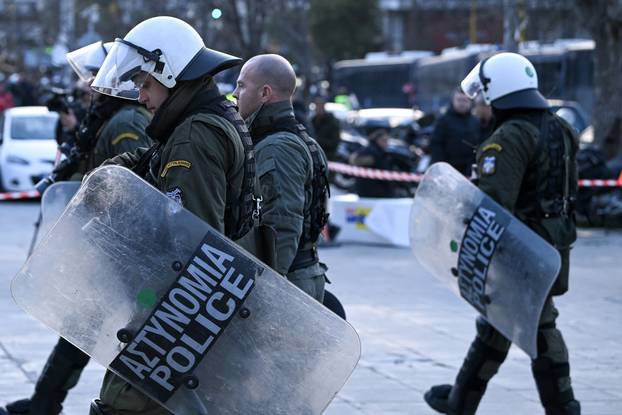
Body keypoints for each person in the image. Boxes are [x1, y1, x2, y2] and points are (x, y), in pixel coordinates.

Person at [88, 16, 256, 415]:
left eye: (146, 84)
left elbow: (196, 246)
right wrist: (109, 177)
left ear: (171, 73)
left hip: (178, 311)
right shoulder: (195, 121)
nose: (141, 97)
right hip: (179, 308)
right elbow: (148, 162)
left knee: (120, 404)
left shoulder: (195, 134)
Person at [0, 40, 152, 415]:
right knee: (80, 330)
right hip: (108, 249)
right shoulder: (108, 118)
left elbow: (132, 185)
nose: (87, 86)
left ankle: (52, 403)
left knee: (126, 334)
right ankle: (45, 402)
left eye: (95, 79)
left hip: (123, 253)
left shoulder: (126, 121)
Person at [424, 52, 580, 415]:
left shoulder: (509, 137)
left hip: (519, 249)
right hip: (554, 244)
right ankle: (461, 399)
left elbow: (493, 206)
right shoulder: (562, 128)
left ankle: (564, 406)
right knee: (499, 323)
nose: (477, 104)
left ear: (499, 94)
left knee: (540, 327)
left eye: (482, 97)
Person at [233, 54, 329, 302]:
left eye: (242, 85)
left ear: (265, 93)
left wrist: (267, 294)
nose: (235, 93)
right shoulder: (291, 138)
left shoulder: (278, 147)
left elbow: (281, 225)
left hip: (288, 283)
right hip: (298, 277)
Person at [430, 88, 482, 176]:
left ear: (470, 102)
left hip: (470, 171)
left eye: (465, 100)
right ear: (453, 101)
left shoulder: (476, 122)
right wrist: (441, 168)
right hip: (448, 171)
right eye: (459, 100)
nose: (462, 103)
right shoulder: (443, 120)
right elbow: (436, 145)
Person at [349, 128, 395, 198]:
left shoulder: (371, 150)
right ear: (377, 140)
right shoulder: (376, 153)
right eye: (384, 140)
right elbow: (384, 174)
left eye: (387, 141)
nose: (386, 143)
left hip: (363, 191)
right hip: (373, 192)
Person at [311, 96, 341, 162]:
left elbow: (334, 143)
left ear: (324, 106)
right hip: (314, 157)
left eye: (320, 105)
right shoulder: (313, 121)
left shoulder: (332, 122)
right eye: (317, 105)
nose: (318, 108)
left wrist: (317, 140)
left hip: (328, 158)